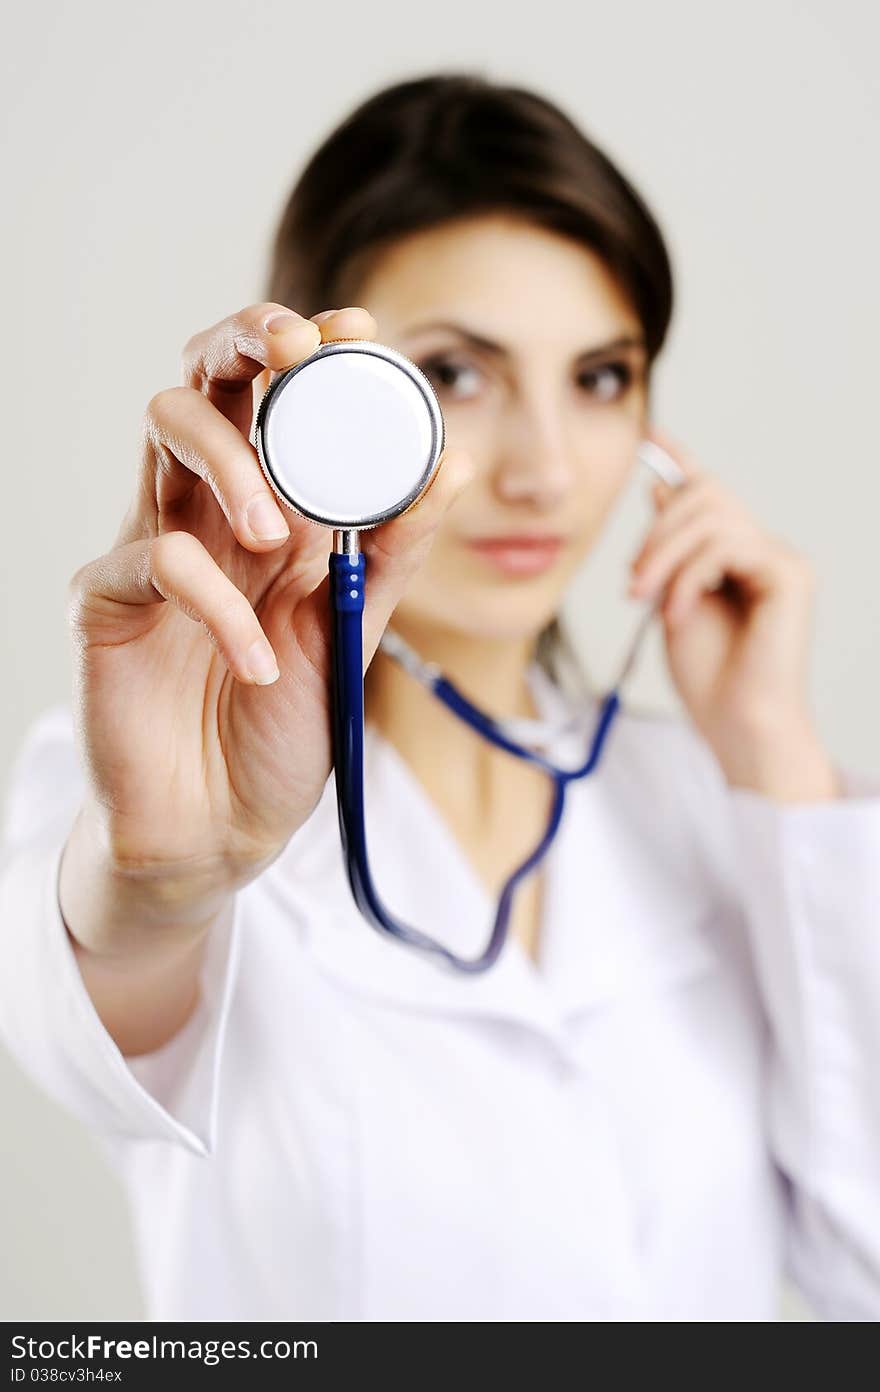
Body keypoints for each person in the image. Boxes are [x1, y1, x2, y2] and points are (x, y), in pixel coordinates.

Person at [1, 71, 879, 1324]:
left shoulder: (704, 795)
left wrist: (773, 752)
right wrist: (156, 887)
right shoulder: (158, 782)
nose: (545, 469)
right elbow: (84, 1014)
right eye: (457, 375)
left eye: (599, 377)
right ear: (319, 409)